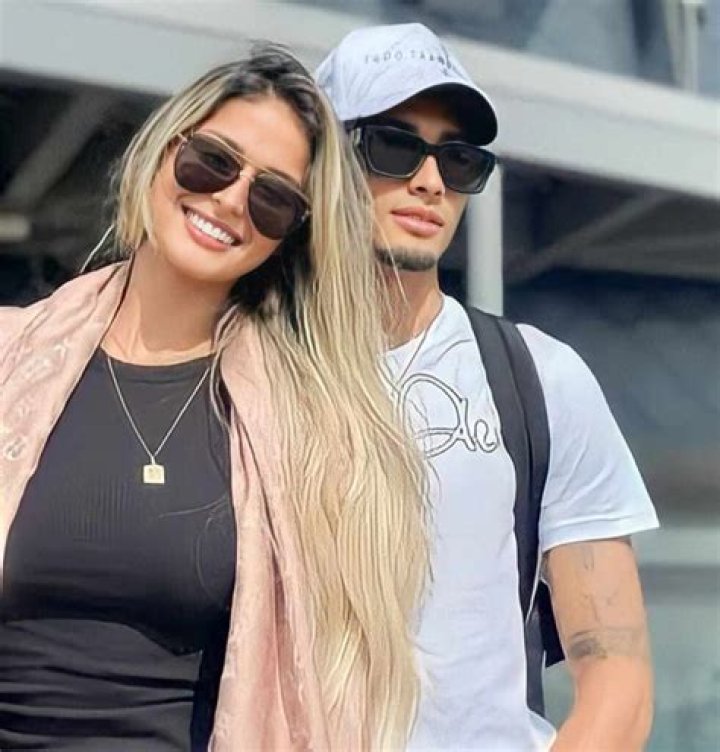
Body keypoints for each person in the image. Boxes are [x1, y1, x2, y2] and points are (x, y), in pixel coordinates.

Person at [0, 45, 431, 751]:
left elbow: (341, 688)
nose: (230, 200)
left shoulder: (316, 433)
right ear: (165, 150)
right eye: (214, 161)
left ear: (290, 238)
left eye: (273, 198)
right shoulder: (8, 358)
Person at [317, 22, 660, 751]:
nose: (430, 182)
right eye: (393, 146)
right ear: (321, 161)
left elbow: (618, 676)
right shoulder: (244, 368)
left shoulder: (541, 377)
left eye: (459, 159)